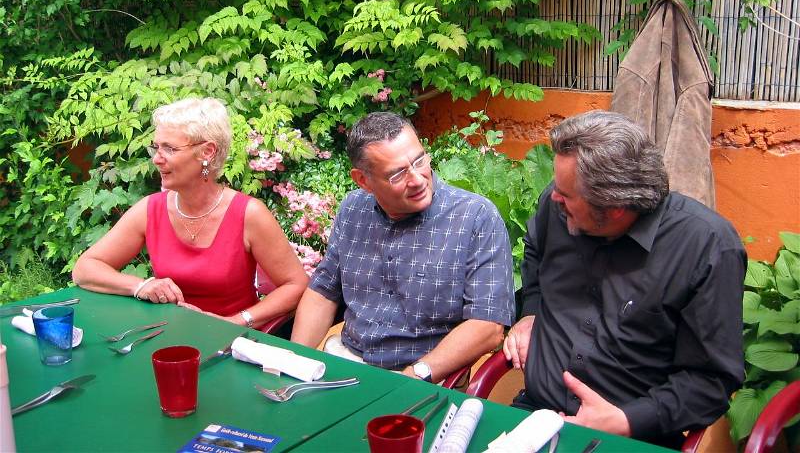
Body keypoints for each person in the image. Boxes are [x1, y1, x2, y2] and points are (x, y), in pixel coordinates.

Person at [503, 110, 745, 449]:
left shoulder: (706, 247)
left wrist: (627, 420)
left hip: (633, 438)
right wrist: (531, 312)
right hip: (536, 416)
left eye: (567, 195)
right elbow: (535, 250)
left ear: (614, 207)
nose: (555, 197)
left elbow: (710, 382)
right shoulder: (557, 205)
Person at [291, 112, 515, 383]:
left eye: (419, 161)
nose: (418, 179)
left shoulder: (475, 217)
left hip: (425, 375)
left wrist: (413, 377)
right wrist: (293, 362)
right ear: (363, 181)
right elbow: (323, 292)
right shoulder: (353, 209)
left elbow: (488, 325)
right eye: (397, 174)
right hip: (347, 360)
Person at [72, 97, 308, 329]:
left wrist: (235, 322)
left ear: (207, 152)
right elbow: (85, 269)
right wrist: (141, 286)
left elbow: (296, 285)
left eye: (169, 148)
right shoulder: (150, 209)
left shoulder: (248, 214)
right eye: (156, 147)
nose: (156, 159)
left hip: (231, 342)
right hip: (167, 335)